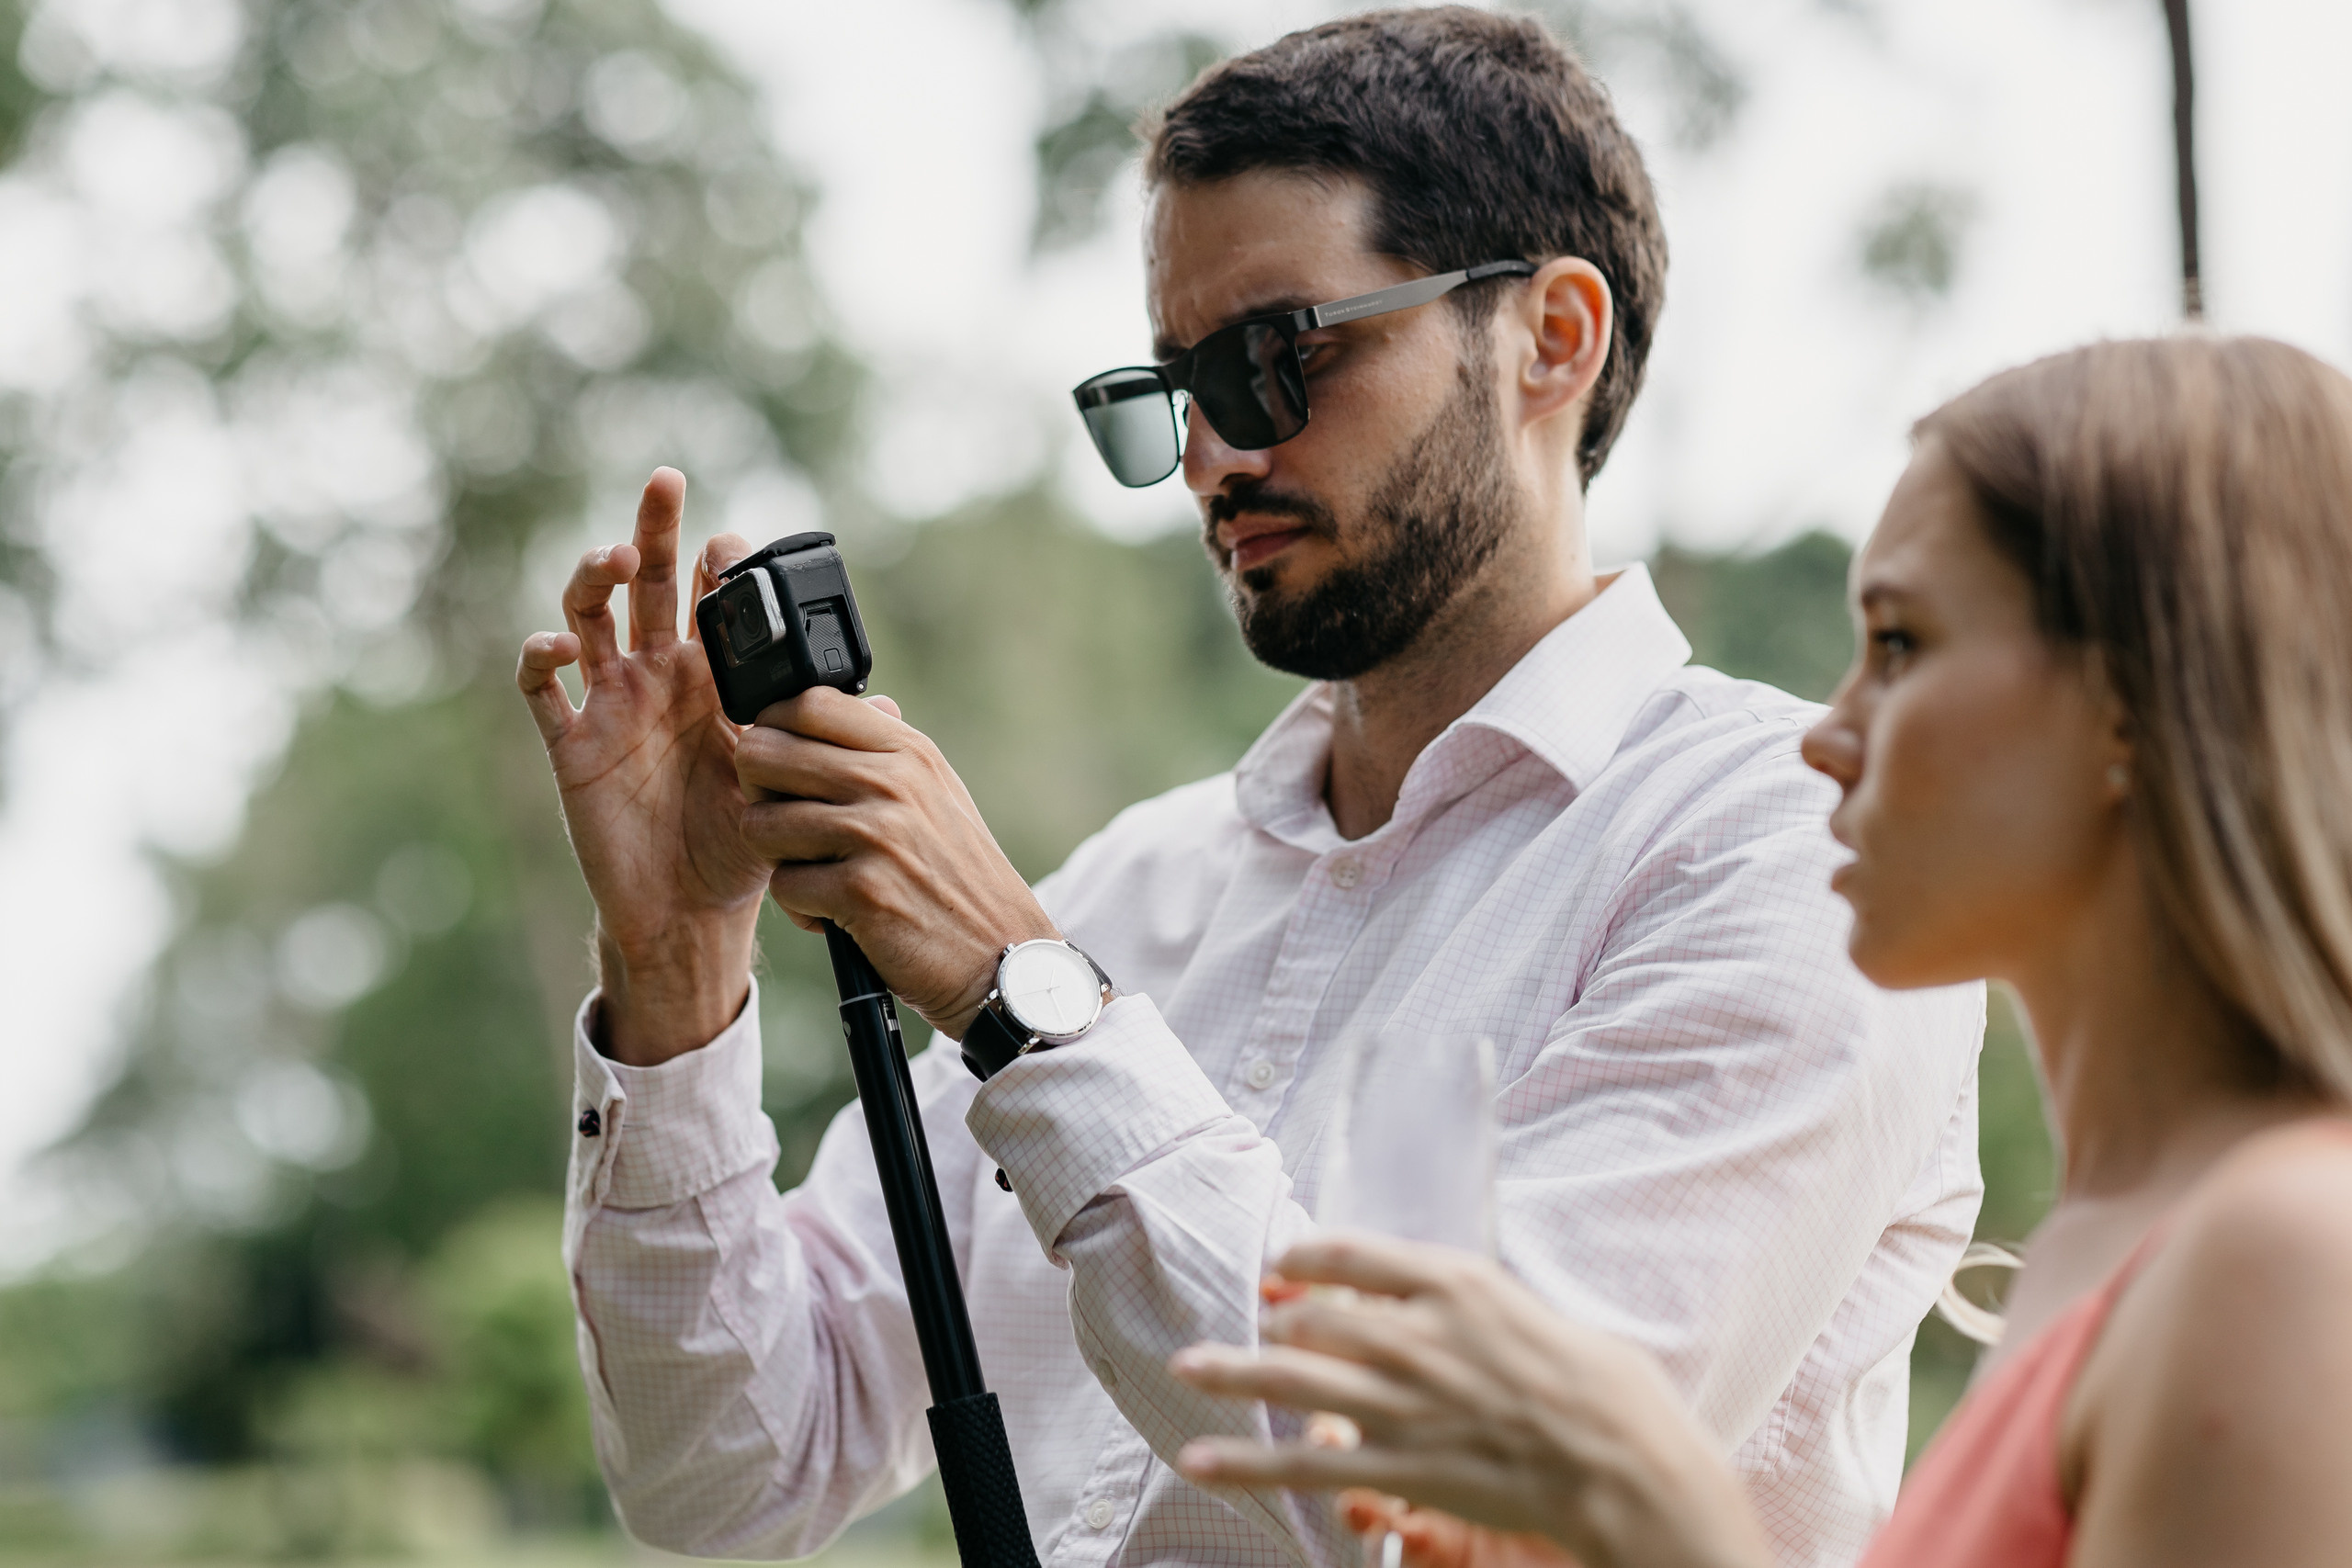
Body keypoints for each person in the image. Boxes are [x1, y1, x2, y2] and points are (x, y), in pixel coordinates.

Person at [513, 10, 1984, 1566]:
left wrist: (1026, 1005)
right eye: (1176, 386)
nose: (1213, 453)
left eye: (1280, 360)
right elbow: (725, 1480)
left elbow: (1457, 1491)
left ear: (1554, 336)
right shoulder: (1134, 890)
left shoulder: (1788, 855)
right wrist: (678, 972)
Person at [1166, 334, 2352, 1568]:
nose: (1828, 737)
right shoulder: (2115, 1246)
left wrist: (1673, 1534)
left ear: (2135, 698)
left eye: (1898, 647)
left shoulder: (2282, 1264)